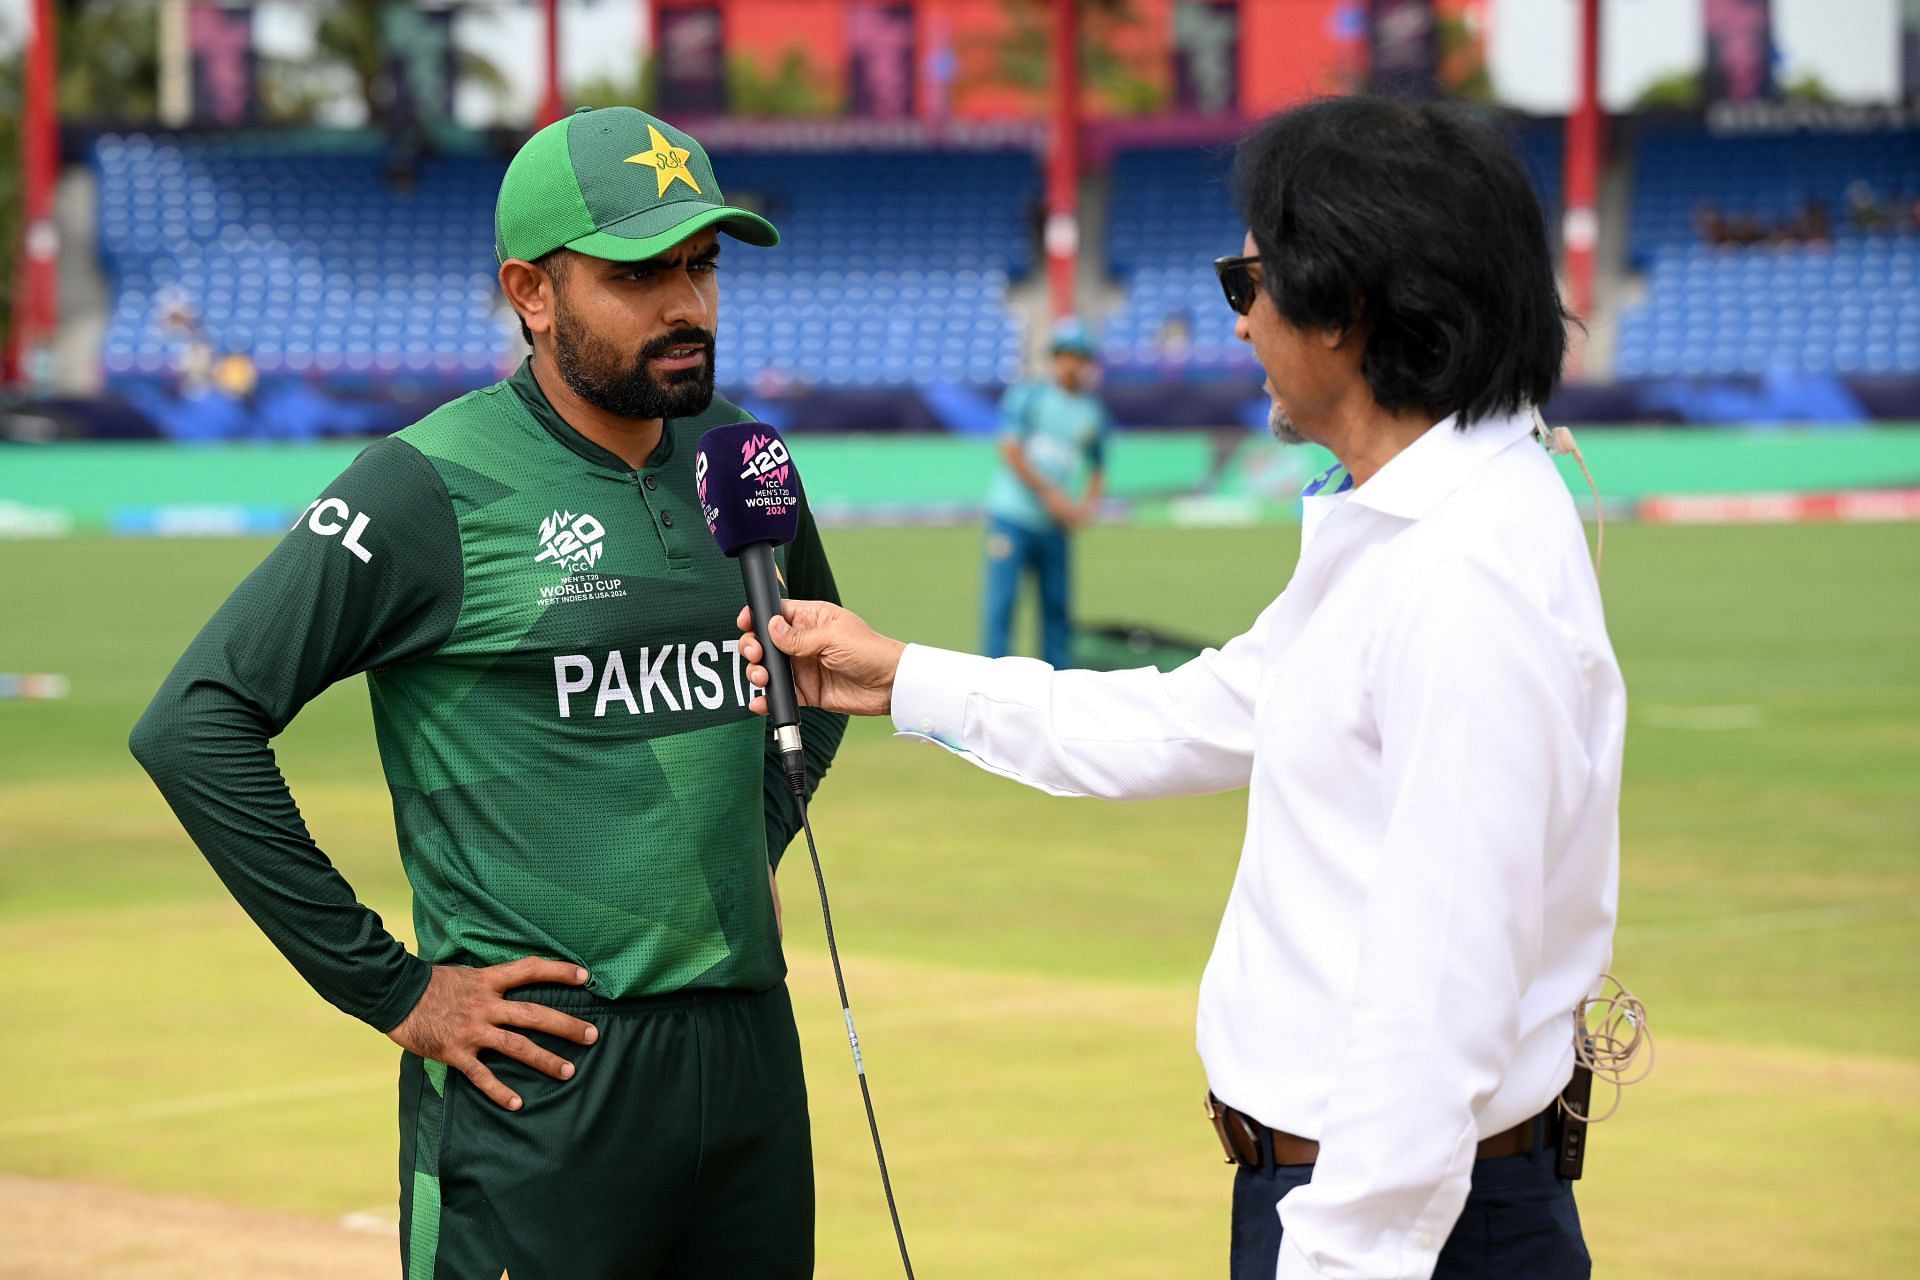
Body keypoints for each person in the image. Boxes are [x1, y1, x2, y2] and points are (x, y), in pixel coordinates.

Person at [737, 96, 1623, 1280]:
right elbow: (1195, 712)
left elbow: (1441, 999)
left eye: (1246, 282)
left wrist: (1337, 1256)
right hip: (1357, 1202)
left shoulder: (1462, 572)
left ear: (1347, 305)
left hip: (1399, 1231)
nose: (1240, 323)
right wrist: (903, 678)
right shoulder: (1403, 526)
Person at [130, 106, 847, 1279]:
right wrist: (394, 987)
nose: (688, 304)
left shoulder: (743, 455)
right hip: (545, 1078)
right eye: (638, 272)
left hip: (748, 1054)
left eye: (702, 264)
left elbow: (818, 673)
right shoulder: (425, 483)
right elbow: (195, 721)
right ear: (533, 290)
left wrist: (751, 838)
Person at [981, 316, 1110, 669]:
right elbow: (1010, 450)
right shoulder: (1029, 395)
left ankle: (1056, 692)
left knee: (1057, 613)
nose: (1071, 363)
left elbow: (1098, 465)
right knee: (1001, 608)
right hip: (1013, 518)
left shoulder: (1091, 411)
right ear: (1054, 357)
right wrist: (1050, 494)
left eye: (1078, 356)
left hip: (1056, 526)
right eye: (1064, 354)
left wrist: (1087, 506)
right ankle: (990, 689)